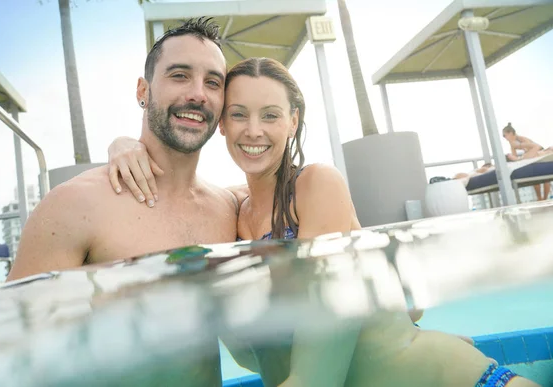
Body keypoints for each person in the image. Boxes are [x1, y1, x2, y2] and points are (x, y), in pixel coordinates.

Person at [106, 58, 539, 387]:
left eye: (271, 115)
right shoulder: (233, 217)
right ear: (221, 124)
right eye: (238, 114)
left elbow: (327, 312)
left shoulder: (317, 185)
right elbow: (252, 354)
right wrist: (124, 144)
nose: (253, 130)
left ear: (293, 121)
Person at [7, 18, 239, 387]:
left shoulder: (229, 209)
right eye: (180, 75)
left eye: (213, 82)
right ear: (142, 91)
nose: (198, 93)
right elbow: (11, 352)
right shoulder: (74, 206)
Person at [503, 123, 551, 201]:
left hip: (538, 152)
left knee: (545, 180)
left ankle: (544, 198)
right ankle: (540, 198)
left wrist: (523, 156)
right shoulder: (512, 144)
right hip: (530, 157)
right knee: (535, 179)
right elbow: (515, 156)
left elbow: (535, 147)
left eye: (504, 135)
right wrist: (517, 159)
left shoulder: (521, 139)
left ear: (510, 133)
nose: (504, 138)